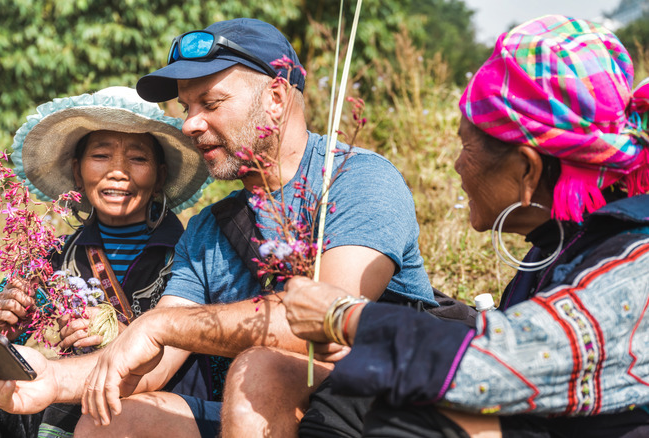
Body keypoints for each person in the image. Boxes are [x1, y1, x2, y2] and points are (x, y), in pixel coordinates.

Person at [0, 17, 437, 438]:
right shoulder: (209, 229)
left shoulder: (357, 179)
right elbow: (154, 364)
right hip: (239, 414)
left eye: (210, 101)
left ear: (275, 97)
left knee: (260, 370)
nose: (189, 124)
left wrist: (160, 323)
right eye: (186, 108)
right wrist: (51, 379)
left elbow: (328, 321)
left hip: (364, 410)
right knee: (117, 420)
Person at [277, 15, 649, 437]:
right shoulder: (568, 246)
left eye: (466, 145)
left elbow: (512, 360)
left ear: (527, 169)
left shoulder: (634, 263)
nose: (456, 164)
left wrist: (347, 317)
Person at [0, 86, 210, 438]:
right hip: (70, 394)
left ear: (159, 177)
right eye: (101, 156)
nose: (118, 172)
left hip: (154, 405)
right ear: (77, 172)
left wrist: (119, 339)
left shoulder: (190, 253)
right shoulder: (54, 256)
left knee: (72, 396)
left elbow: (200, 339)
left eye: (138, 159)